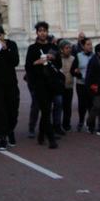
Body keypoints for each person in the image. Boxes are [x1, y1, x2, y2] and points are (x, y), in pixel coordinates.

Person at [24, 21, 60, 149]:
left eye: (44, 30)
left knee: (47, 110)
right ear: (37, 33)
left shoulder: (53, 47)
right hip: (39, 83)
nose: (42, 33)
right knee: (45, 110)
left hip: (51, 82)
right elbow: (28, 66)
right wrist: (38, 62)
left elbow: (59, 64)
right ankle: (51, 139)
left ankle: (40, 135)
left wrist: (53, 58)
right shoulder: (32, 48)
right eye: (40, 31)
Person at [74, 36, 96, 131]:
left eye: (91, 44)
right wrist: (77, 72)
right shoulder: (78, 56)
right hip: (81, 84)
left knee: (92, 104)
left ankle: (91, 123)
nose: (90, 46)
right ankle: (81, 121)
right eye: (88, 44)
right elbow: (73, 70)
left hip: (91, 84)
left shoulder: (95, 56)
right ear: (83, 46)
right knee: (82, 104)